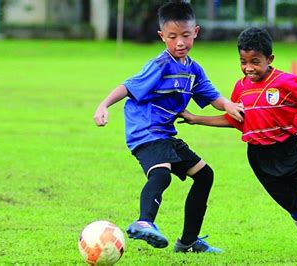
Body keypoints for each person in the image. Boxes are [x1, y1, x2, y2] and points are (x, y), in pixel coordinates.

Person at [179, 27, 297, 259]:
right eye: (243, 61)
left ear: (269, 59)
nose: (248, 68)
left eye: (255, 61)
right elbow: (235, 120)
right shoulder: (241, 88)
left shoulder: (286, 81)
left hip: (291, 149)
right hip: (260, 159)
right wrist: (195, 119)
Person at [93, 0, 244, 253]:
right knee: (161, 174)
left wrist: (229, 105)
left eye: (185, 35)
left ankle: (188, 242)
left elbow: (211, 95)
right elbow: (128, 86)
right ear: (162, 37)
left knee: (204, 175)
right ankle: (144, 222)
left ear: (195, 32)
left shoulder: (193, 69)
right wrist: (103, 105)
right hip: (146, 131)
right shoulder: (160, 64)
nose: (180, 43)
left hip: (165, 134)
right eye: (172, 37)